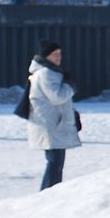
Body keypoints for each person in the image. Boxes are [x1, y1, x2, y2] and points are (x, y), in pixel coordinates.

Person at [26, 40, 81, 189]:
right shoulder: (46, 73)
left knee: (56, 162)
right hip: (51, 124)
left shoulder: (51, 72)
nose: (59, 57)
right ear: (46, 56)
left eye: (60, 54)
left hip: (53, 123)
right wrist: (70, 85)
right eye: (55, 54)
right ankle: (47, 194)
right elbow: (57, 97)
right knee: (55, 161)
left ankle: (50, 193)